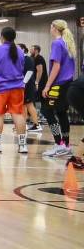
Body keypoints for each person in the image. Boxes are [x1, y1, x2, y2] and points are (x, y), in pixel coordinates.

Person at [0, 27, 28, 155]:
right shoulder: (20, 51)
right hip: (17, 87)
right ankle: (23, 145)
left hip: (0, 88)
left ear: (2, 37)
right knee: (18, 115)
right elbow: (21, 68)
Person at [42, 19, 76, 159]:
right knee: (62, 113)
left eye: (51, 26)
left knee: (47, 111)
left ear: (54, 28)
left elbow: (56, 66)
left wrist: (47, 85)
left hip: (58, 84)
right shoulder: (67, 43)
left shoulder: (57, 43)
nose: (50, 29)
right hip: (68, 83)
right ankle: (66, 145)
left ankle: (59, 143)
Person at [18, 44, 41, 135]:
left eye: (18, 48)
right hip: (22, 86)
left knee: (30, 105)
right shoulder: (20, 59)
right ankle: (23, 124)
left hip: (28, 86)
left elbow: (30, 72)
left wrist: (24, 83)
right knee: (23, 105)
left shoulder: (28, 59)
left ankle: (37, 124)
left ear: (23, 49)